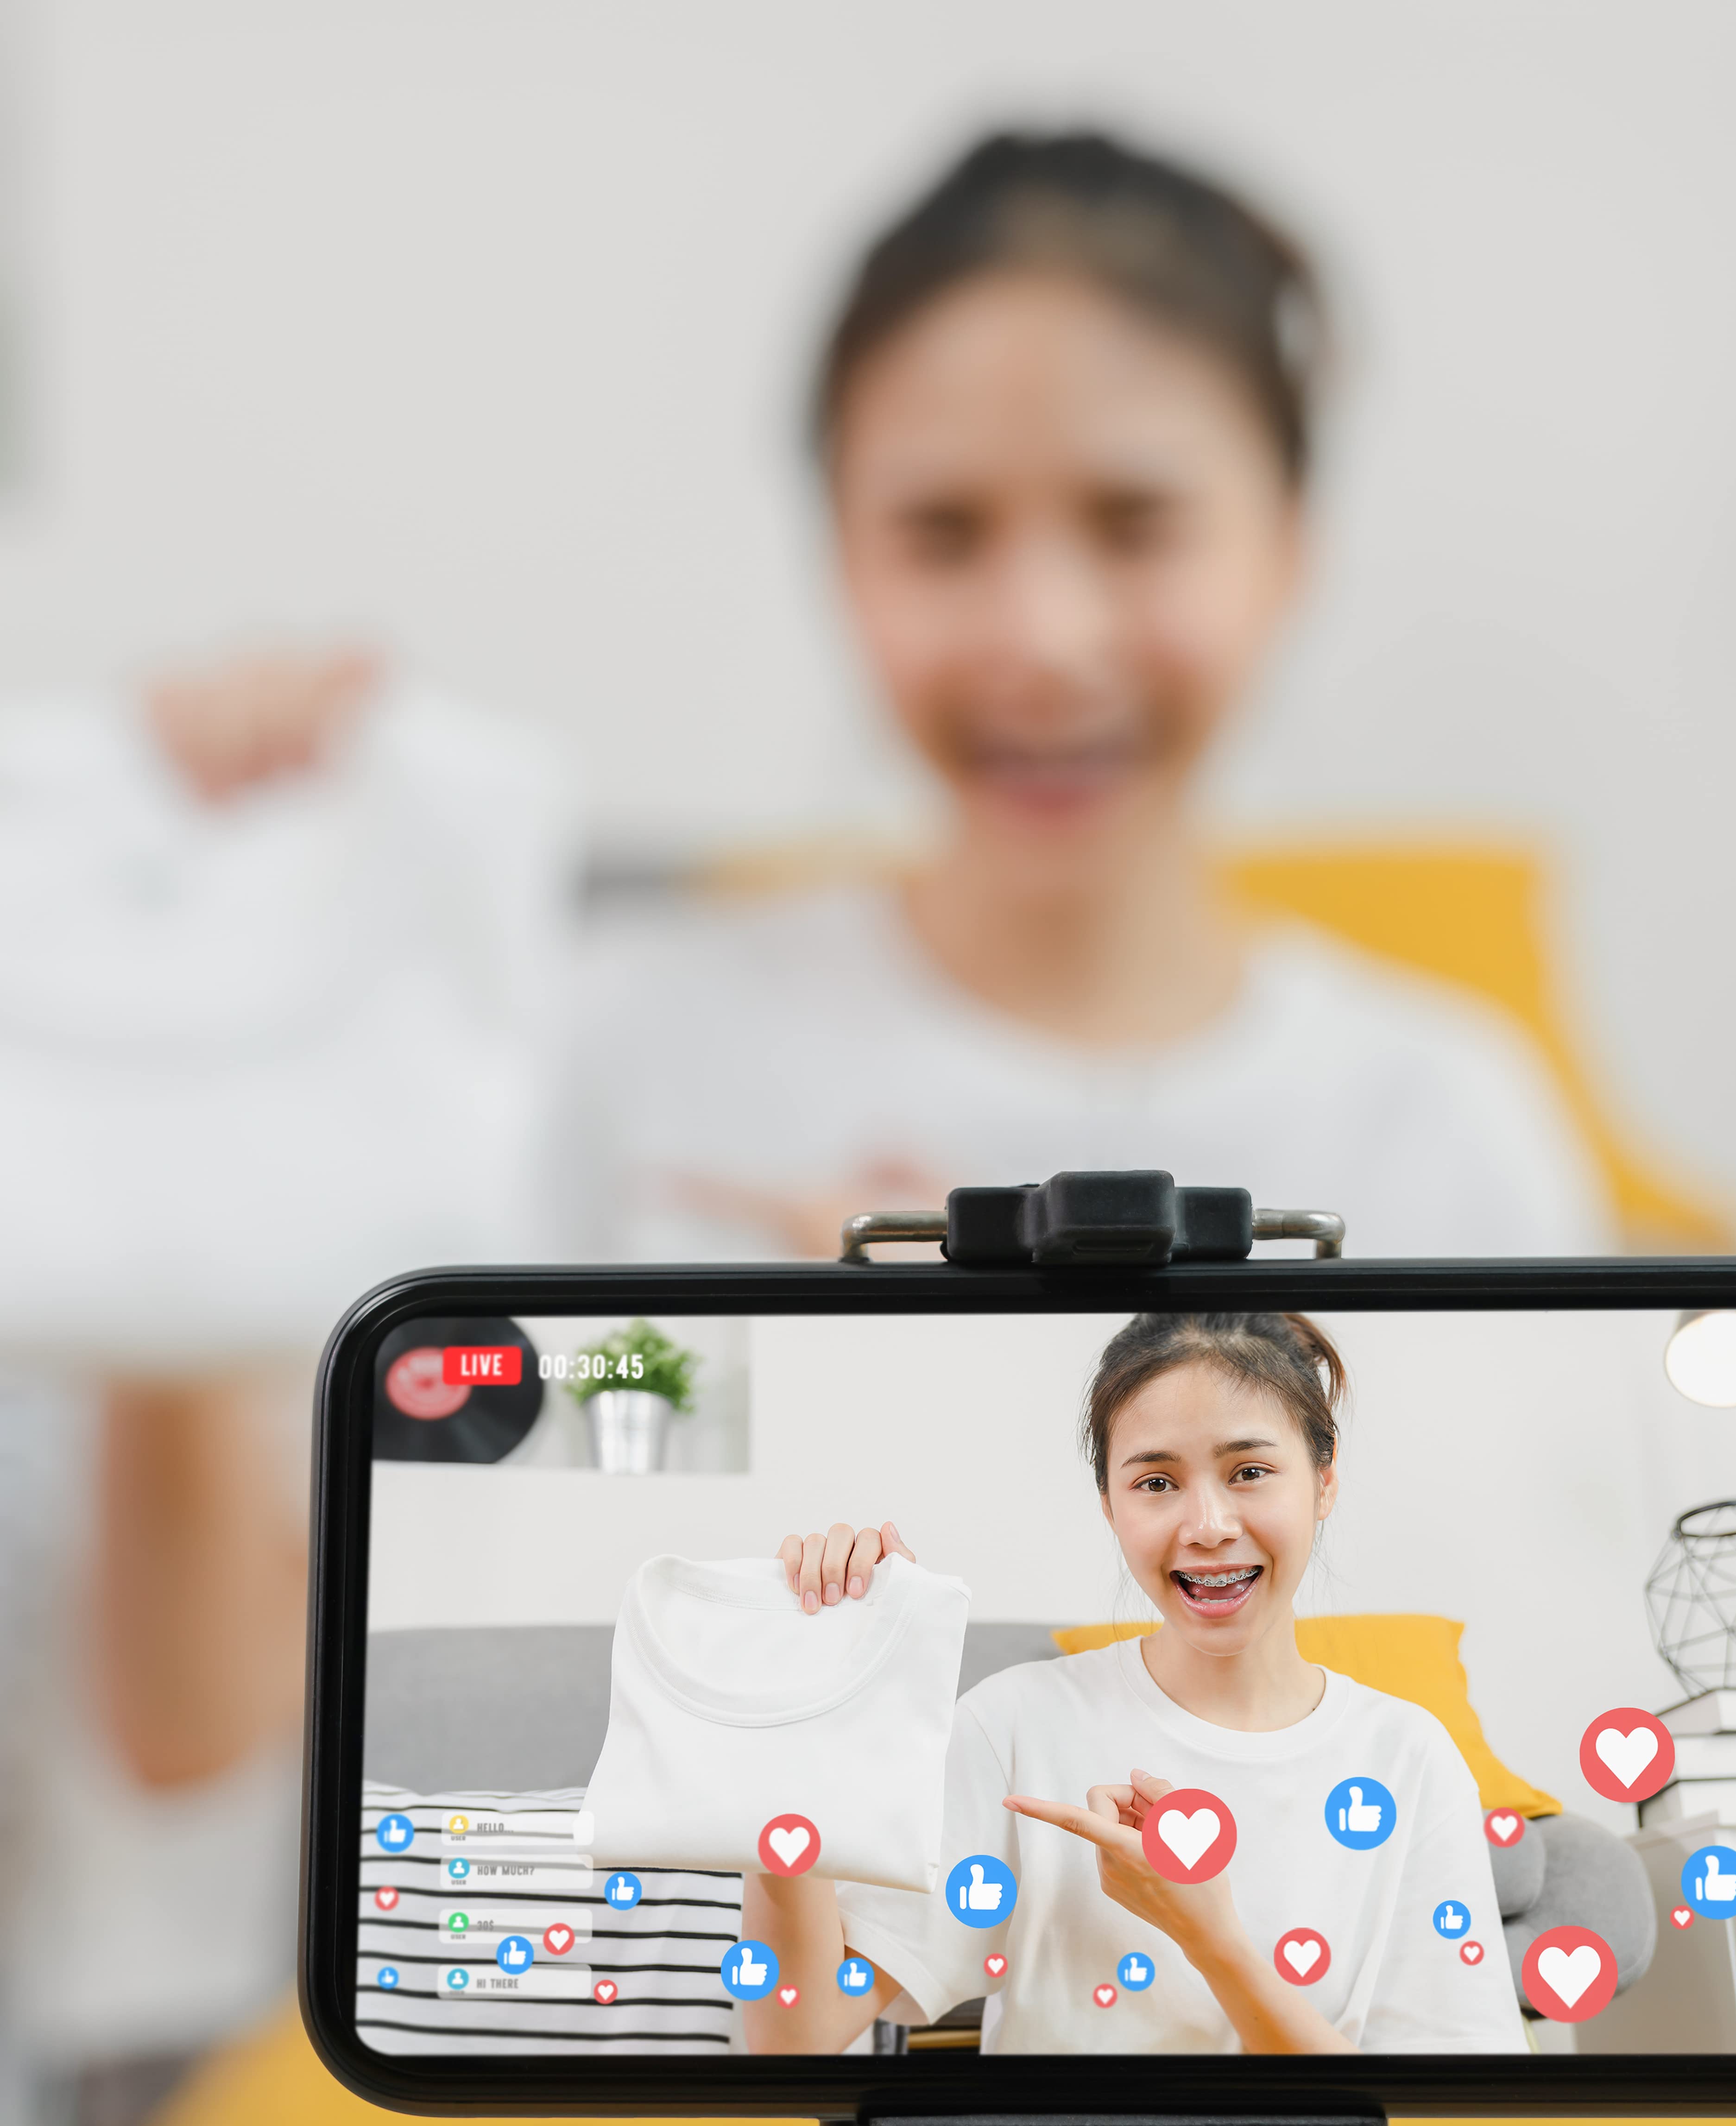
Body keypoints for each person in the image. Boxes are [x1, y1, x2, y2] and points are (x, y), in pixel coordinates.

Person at [103, 127, 1603, 1796]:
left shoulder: (1442, 1120)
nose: (1042, 635)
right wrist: (185, 1086)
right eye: (945, 532)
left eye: (1134, 520)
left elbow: (1510, 1743)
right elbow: (201, 1714)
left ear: (1288, 540)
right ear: (841, 548)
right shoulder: (614, 1049)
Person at [742, 1311, 1517, 2057]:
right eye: (1156, 1483)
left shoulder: (1407, 1756)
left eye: (1250, 1471)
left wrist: (1206, 1937)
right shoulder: (1014, 1724)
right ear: (1110, 1505)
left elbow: (1443, 2115)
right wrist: (806, 1729)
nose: (1208, 1524)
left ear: (1324, 1481)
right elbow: (794, 2035)